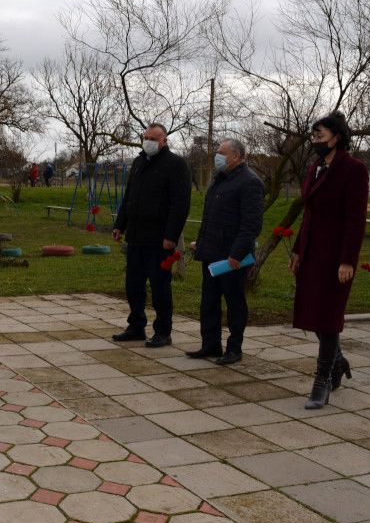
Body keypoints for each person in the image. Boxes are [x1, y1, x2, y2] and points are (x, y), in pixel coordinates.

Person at [290, 112, 368, 409]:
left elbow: (355, 220)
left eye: (320, 136)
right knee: (314, 314)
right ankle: (337, 361)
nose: (315, 141)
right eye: (313, 136)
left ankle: (321, 381)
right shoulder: (316, 167)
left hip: (336, 258)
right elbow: (309, 212)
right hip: (312, 254)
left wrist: (348, 260)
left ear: (337, 136)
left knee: (329, 316)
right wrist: (298, 249)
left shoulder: (354, 169)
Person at [111, 123, 192, 348]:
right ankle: (136, 326)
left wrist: (172, 235)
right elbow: (129, 198)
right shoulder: (138, 163)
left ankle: (163, 331)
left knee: (160, 287)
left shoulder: (176, 165)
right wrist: (120, 225)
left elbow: (180, 204)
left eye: (153, 138)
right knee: (133, 285)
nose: (148, 141)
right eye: (145, 137)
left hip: (160, 239)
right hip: (136, 236)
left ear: (164, 141)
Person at [188, 139, 264, 365]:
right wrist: (200, 243)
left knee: (234, 303)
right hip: (212, 254)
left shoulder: (250, 182)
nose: (217, 157)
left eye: (221, 153)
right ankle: (210, 344)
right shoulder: (219, 181)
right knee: (209, 302)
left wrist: (236, 254)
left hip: (232, 258)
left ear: (238, 156)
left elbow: (251, 225)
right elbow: (211, 218)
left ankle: (234, 348)